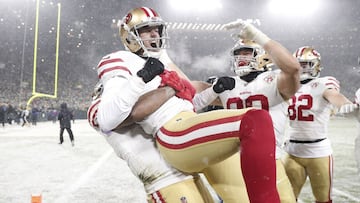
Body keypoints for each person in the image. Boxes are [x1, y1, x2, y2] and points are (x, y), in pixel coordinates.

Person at [96, 7, 281, 202]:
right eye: (146, 29)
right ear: (130, 36)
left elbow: (189, 102)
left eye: (157, 29)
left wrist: (213, 91)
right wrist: (141, 78)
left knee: (241, 197)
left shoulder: (160, 60)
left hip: (190, 124)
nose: (154, 33)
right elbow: (106, 120)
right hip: (172, 133)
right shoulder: (119, 59)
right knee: (254, 120)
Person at [193, 39, 300, 203]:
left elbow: (293, 69)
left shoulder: (275, 79)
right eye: (238, 54)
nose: (241, 57)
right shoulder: (228, 83)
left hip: (271, 159)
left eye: (246, 53)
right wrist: (214, 90)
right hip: (233, 160)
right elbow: (193, 102)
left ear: (261, 55)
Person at [88, 82, 219, 203]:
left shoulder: (136, 101)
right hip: (165, 181)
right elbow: (129, 114)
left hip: (185, 173)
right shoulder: (101, 109)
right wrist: (169, 88)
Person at [282, 46, 355, 203]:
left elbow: (335, 96)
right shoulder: (287, 86)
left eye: (306, 64)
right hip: (292, 150)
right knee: (286, 198)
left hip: (318, 152)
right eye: (299, 64)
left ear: (316, 65)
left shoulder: (323, 83)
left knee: (323, 199)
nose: (302, 69)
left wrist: (345, 105)